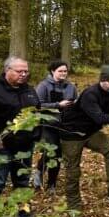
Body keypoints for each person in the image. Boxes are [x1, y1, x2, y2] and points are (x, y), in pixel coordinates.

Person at [0, 56, 41, 217]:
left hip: (25, 145)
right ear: (7, 70)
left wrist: (36, 135)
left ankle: (24, 213)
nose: (24, 74)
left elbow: (37, 113)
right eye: (19, 71)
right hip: (1, 146)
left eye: (26, 71)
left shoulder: (29, 90)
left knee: (22, 181)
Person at [58, 66, 109, 212]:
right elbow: (98, 117)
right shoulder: (90, 94)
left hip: (90, 132)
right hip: (72, 133)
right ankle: (74, 205)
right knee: (73, 169)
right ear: (102, 81)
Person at [33, 60, 77, 191]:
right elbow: (38, 105)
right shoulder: (43, 86)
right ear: (53, 71)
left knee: (58, 154)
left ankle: (51, 183)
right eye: (60, 71)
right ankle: (39, 174)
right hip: (48, 124)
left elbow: (76, 102)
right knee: (51, 151)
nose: (63, 73)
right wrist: (58, 105)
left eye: (65, 71)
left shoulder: (71, 87)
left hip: (65, 125)